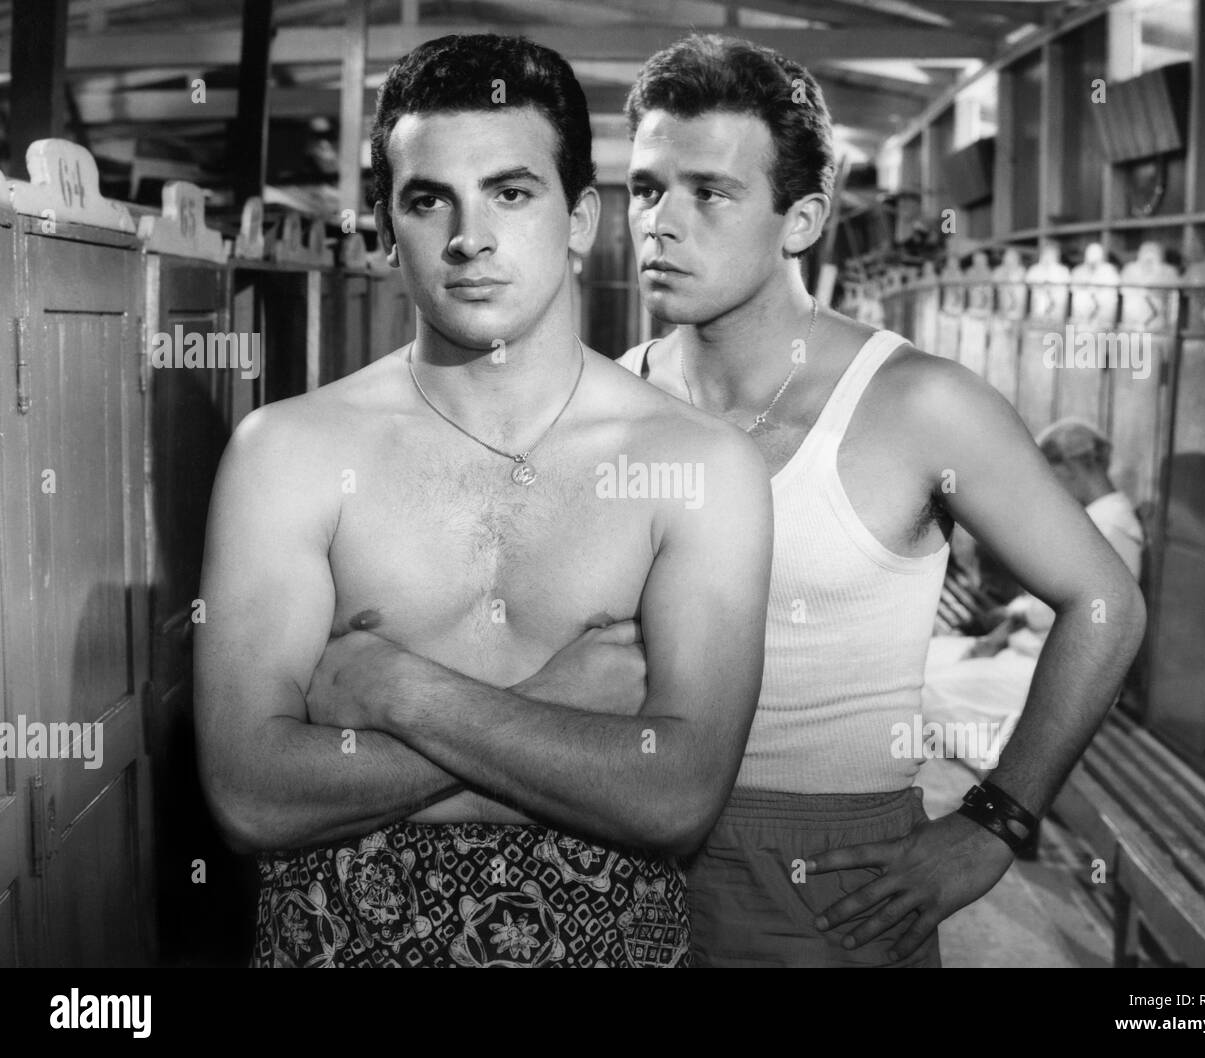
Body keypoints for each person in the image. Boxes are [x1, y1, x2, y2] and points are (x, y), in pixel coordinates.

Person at [194, 34, 772, 968]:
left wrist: (391, 689)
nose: (470, 236)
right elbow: (249, 798)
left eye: (511, 192)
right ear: (388, 226)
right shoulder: (288, 453)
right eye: (429, 200)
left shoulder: (702, 468)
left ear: (581, 218)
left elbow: (676, 802)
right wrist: (562, 715)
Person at [617, 34, 1146, 966]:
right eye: (644, 186)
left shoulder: (918, 404)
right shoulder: (609, 400)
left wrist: (995, 821)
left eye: (708, 191)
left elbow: (1106, 604)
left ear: (802, 219)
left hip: (826, 870)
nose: (660, 221)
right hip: (618, 837)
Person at [923, 419, 1147, 772]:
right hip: (1033, 654)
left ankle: (991, 786)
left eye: (1051, 473)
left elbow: (1062, 614)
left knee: (926, 691)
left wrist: (1007, 623)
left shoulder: (1109, 528)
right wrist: (1003, 628)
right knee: (923, 661)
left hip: (1062, 676)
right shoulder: (1098, 519)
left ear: (1072, 467)